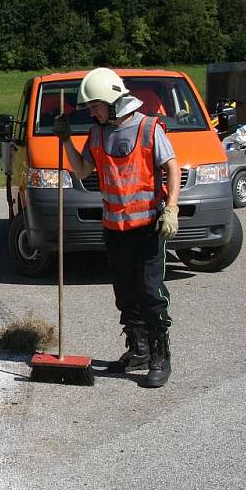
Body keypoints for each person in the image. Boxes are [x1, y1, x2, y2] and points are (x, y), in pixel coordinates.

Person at [54, 68, 180, 388]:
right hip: (114, 229)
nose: (92, 112)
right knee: (125, 293)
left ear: (113, 99)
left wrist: (173, 209)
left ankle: (159, 356)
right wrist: (66, 140)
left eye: (95, 106)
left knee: (151, 293)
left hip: (148, 227)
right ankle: (137, 350)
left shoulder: (149, 128)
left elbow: (172, 167)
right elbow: (82, 170)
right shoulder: (97, 133)